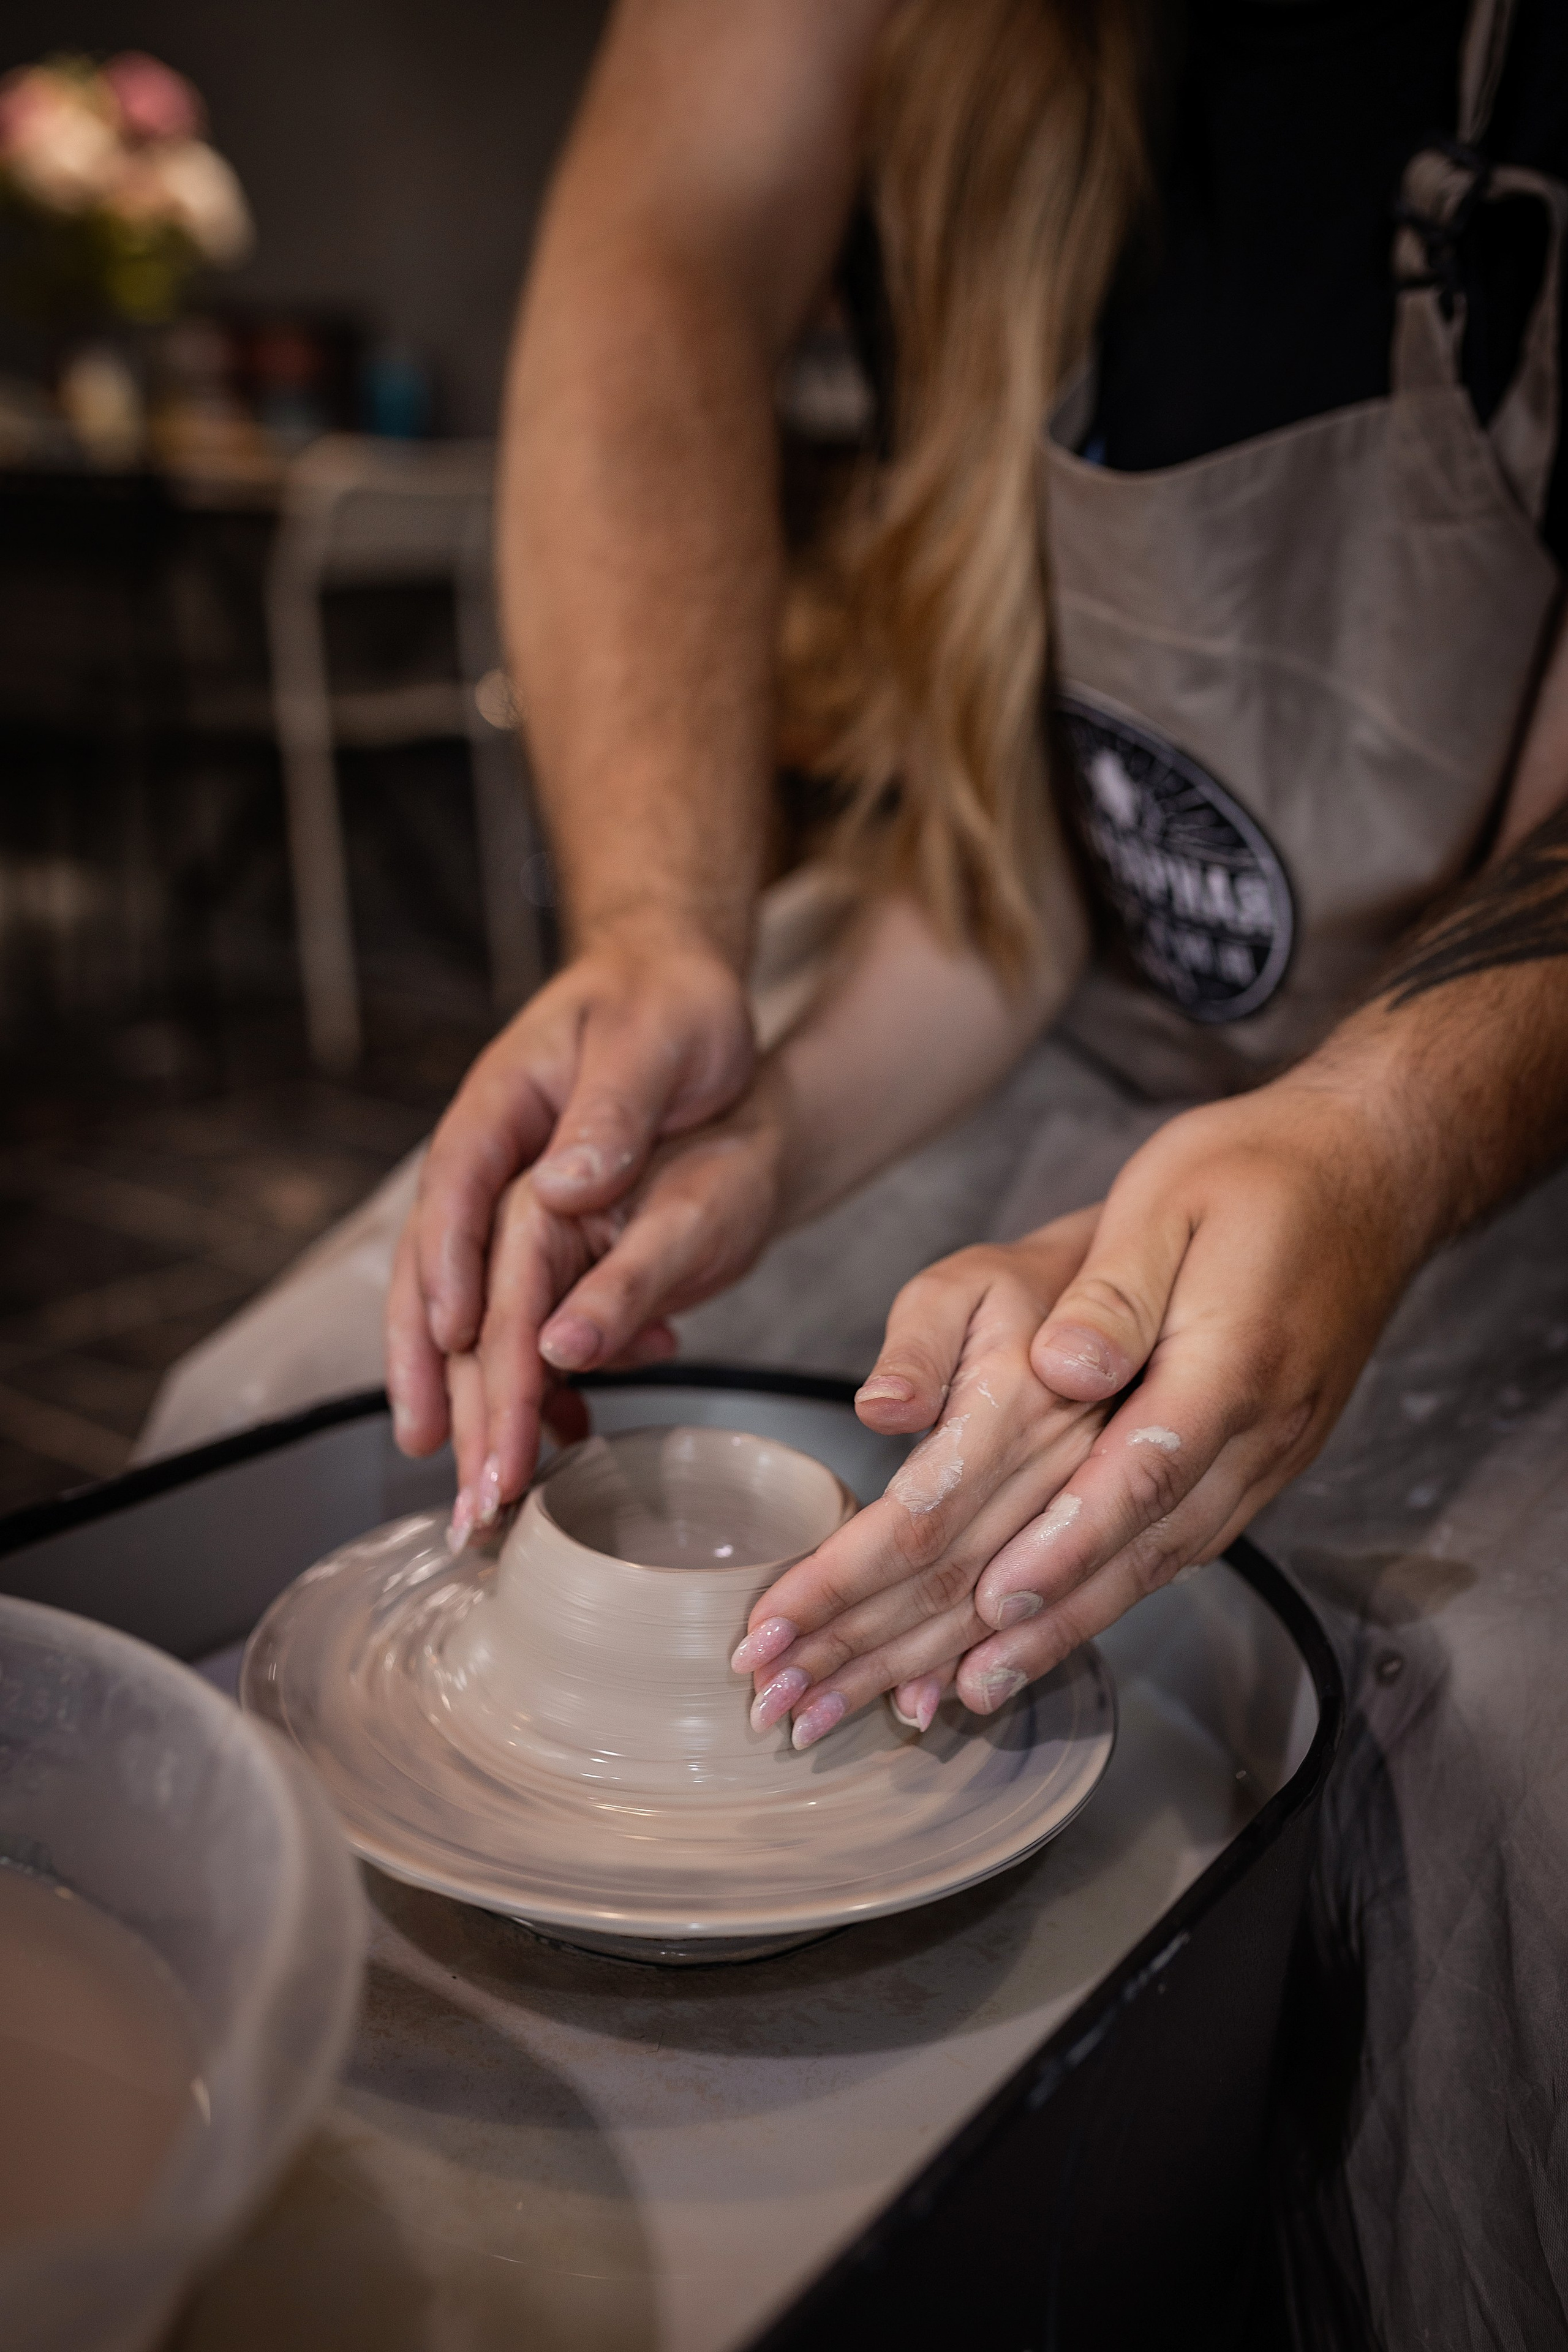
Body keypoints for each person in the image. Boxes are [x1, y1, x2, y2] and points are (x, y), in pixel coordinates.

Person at [140, 1, 1568, 2337]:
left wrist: (1382, 1136)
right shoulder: (992, 80)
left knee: (1507, 1781)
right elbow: (681, 266)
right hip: (1025, 986)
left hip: (1497, 1079)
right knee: (264, 1412)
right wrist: (715, 1034)